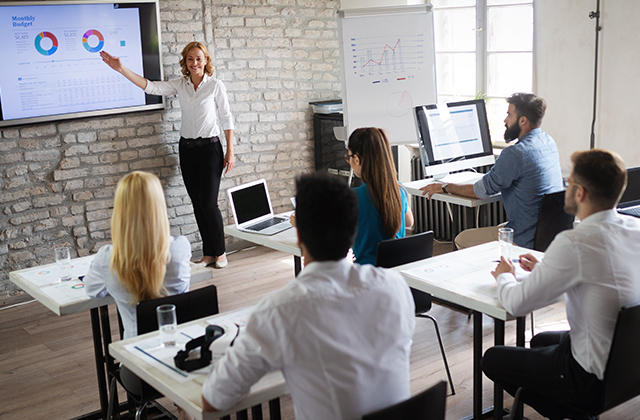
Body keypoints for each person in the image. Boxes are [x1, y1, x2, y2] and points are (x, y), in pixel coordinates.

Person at [201, 172, 416, 420]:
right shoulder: (394, 287)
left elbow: (213, 400)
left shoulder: (280, 310)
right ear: (354, 229)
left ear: (300, 235)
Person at [481, 149, 640, 419]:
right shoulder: (634, 229)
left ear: (580, 193)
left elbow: (517, 304)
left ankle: (573, 413)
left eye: (568, 182)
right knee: (541, 340)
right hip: (629, 366)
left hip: (591, 381)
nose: (565, 187)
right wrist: (547, 269)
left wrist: (505, 274)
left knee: (493, 358)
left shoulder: (576, 242)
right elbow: (602, 281)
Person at [101, 41, 234, 269]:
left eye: (199, 58)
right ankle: (209, 253)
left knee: (209, 203)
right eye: (190, 59)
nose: (195, 63)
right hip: (187, 150)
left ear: (206, 61)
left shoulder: (215, 86)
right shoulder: (180, 85)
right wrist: (122, 69)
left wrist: (230, 151)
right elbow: (150, 87)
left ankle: (221, 252)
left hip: (211, 149)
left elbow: (227, 118)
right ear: (185, 62)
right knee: (197, 203)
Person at [85, 171, 191, 410]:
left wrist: (120, 288)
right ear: (159, 207)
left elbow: (92, 291)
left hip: (140, 373)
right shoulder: (181, 249)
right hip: (184, 363)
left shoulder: (108, 260)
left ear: (121, 211)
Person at [421, 93, 562, 249]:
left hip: (524, 238)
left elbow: (479, 191)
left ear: (523, 120)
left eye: (509, 115)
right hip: (548, 233)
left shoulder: (515, 154)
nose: (505, 120)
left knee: (462, 238)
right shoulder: (548, 142)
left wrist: (444, 187)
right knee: (502, 225)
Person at [345, 127, 414, 265]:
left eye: (349, 157)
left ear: (357, 159)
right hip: (396, 274)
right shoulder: (399, 189)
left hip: (366, 276)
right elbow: (409, 222)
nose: (349, 162)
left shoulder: (353, 198)